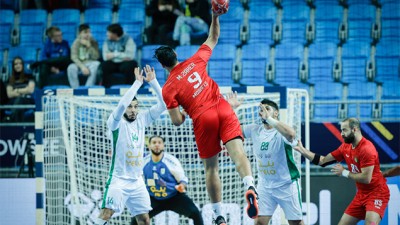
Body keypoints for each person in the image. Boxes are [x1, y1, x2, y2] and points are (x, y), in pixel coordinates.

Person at [154, 11, 258, 225]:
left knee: (211, 168)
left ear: (163, 66)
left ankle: (219, 216)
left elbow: (176, 121)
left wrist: (185, 110)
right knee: (239, 153)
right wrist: (214, 15)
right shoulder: (196, 60)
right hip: (223, 106)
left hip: (203, 118)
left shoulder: (168, 88)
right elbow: (213, 37)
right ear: (175, 54)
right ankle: (250, 185)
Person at [96, 65, 165, 225]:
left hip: (137, 181)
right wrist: (137, 84)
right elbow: (120, 106)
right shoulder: (115, 122)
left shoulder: (142, 119)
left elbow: (163, 105)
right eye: (130, 106)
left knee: (144, 219)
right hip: (118, 180)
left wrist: (153, 82)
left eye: (135, 106)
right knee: (106, 213)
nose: (133, 110)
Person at [294, 118, 390, 225]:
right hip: (361, 194)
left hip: (377, 193)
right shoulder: (345, 147)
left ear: (354, 129)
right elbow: (323, 161)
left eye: (344, 130)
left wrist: (344, 172)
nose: (341, 134)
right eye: (341, 130)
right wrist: (303, 151)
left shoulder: (367, 149)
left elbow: (366, 179)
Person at [234, 98, 304, 225]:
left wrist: (270, 119)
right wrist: (230, 109)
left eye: (267, 109)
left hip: (287, 185)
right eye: (261, 110)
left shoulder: (281, 131)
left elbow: (291, 134)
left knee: (295, 223)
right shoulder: (255, 129)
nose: (263, 112)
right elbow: (232, 129)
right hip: (265, 186)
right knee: (260, 222)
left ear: (276, 113)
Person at [131, 135, 204, 225]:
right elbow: (137, 180)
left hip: (173, 197)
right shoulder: (143, 162)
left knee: (195, 213)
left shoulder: (171, 161)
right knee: (136, 219)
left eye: (159, 142)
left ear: (163, 146)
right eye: (154, 142)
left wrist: (181, 186)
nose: (157, 145)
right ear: (149, 146)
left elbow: (182, 179)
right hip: (153, 198)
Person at [101, 24, 138, 88]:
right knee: (105, 65)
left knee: (131, 65)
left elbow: (130, 56)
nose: (107, 34)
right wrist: (122, 55)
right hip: (113, 62)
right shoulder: (107, 41)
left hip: (124, 63)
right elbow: (105, 57)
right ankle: (106, 88)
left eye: (109, 33)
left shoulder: (128, 39)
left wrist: (114, 54)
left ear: (115, 34)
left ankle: (129, 88)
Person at [67, 24, 100, 88]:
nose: (88, 34)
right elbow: (74, 57)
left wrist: (89, 46)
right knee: (71, 67)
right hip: (79, 63)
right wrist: (82, 67)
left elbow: (96, 57)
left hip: (90, 62)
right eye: (85, 32)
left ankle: (87, 88)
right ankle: (75, 89)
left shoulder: (94, 42)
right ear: (80, 33)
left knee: (96, 64)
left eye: (89, 32)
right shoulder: (76, 42)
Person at [5, 57, 35, 122]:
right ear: (13, 66)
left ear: (22, 65)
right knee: (19, 102)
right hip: (13, 102)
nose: (18, 65)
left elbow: (30, 90)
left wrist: (17, 90)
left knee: (20, 100)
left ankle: (11, 119)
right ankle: (18, 127)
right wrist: (24, 90)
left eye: (20, 63)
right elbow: (9, 94)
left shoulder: (29, 76)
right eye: (16, 64)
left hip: (27, 101)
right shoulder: (10, 79)